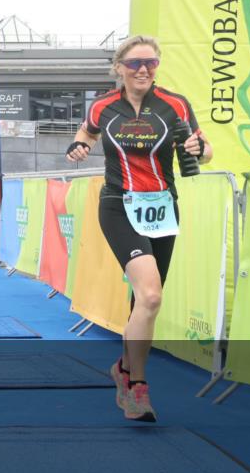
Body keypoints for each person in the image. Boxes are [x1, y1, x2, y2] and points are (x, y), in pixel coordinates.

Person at [65, 35, 212, 422]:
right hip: (118, 204)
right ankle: (136, 386)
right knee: (149, 296)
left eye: (150, 62)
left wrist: (200, 150)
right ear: (119, 68)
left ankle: (122, 368)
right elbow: (87, 132)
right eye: (134, 63)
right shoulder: (103, 106)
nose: (143, 69)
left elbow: (204, 147)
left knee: (144, 302)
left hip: (163, 207)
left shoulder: (175, 104)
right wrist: (77, 146)